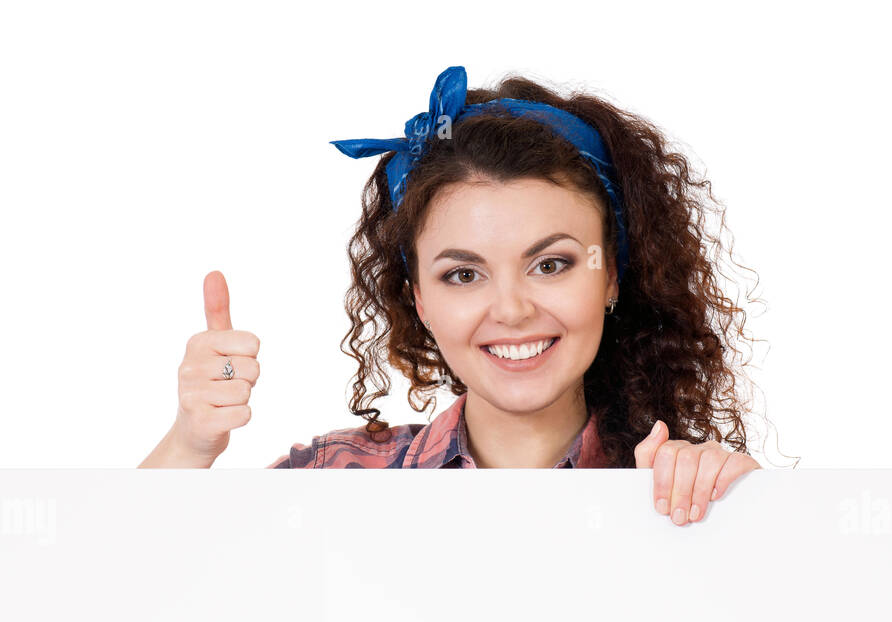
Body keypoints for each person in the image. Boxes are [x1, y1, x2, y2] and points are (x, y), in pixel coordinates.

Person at [138, 65, 773, 526]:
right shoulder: (335, 482)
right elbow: (109, 610)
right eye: (463, 274)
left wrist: (757, 529)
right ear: (418, 299)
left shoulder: (683, 495)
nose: (513, 309)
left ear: (611, 276)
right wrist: (191, 445)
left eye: (550, 264)